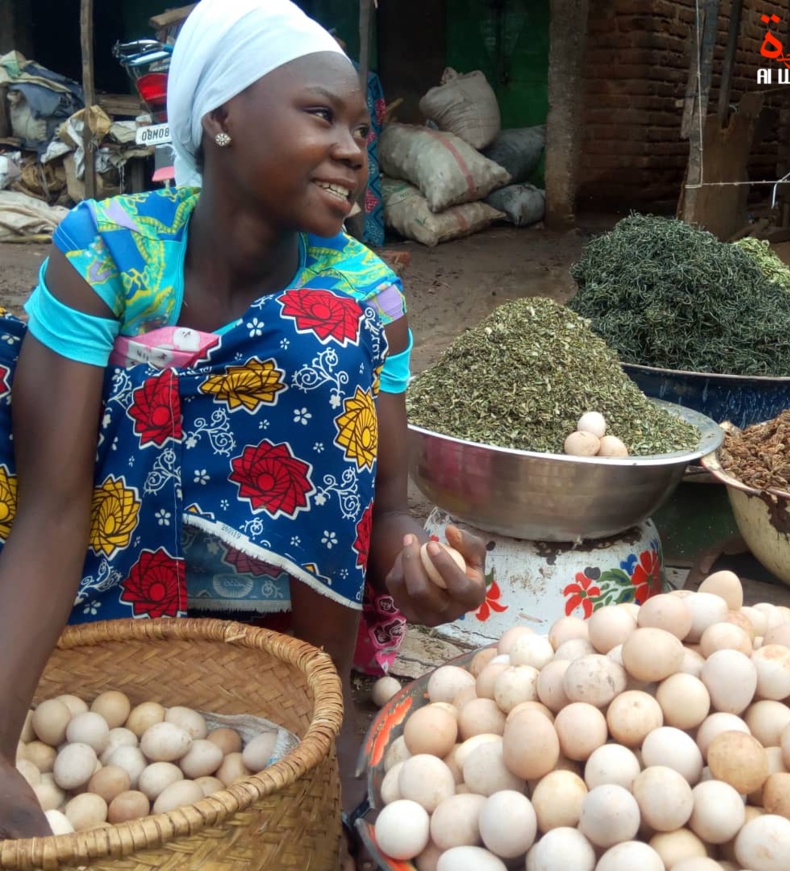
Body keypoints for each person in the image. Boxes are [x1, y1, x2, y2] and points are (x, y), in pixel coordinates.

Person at [0, 0, 487, 867]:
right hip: (99, 564)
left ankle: (319, 716)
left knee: (322, 333)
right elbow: (49, 502)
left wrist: (421, 562)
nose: (351, 148)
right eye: (320, 114)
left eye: (361, 132)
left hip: (271, 603)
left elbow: (385, 514)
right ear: (220, 118)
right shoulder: (107, 251)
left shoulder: (367, 294)